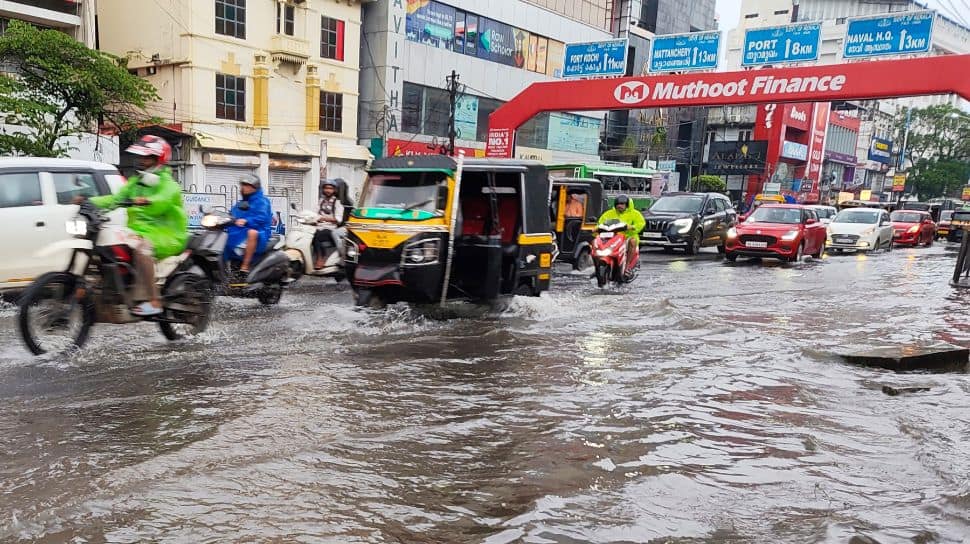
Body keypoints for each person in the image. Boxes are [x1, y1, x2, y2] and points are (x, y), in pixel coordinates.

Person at [85, 135, 188, 317]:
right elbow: (115, 200)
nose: (142, 161)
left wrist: (147, 200)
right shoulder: (135, 182)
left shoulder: (169, 184)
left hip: (167, 234)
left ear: (158, 159)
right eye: (141, 157)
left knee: (142, 248)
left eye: (147, 157)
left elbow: (162, 200)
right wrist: (90, 201)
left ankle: (154, 301)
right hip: (137, 231)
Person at [225, 174, 273, 275]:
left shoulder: (262, 201)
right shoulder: (242, 202)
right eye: (243, 185)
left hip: (260, 229)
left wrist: (246, 221)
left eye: (247, 185)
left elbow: (262, 217)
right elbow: (232, 214)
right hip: (240, 229)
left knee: (252, 233)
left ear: (254, 188)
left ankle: (245, 266)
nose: (243, 188)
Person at [597, 195, 645, 265]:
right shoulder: (608, 214)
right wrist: (596, 228)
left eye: (622, 204)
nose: (619, 206)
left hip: (627, 237)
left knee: (633, 241)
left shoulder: (635, 214)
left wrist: (632, 227)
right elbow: (600, 223)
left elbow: (640, 223)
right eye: (618, 204)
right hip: (611, 237)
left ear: (627, 205)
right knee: (596, 242)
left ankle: (627, 265)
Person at [313, 179, 345, 269]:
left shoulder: (337, 203)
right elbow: (315, 213)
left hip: (330, 228)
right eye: (326, 188)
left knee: (317, 236)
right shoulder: (321, 201)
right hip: (318, 226)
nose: (328, 190)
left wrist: (322, 218)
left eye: (330, 188)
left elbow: (338, 219)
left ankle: (321, 258)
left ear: (334, 190)